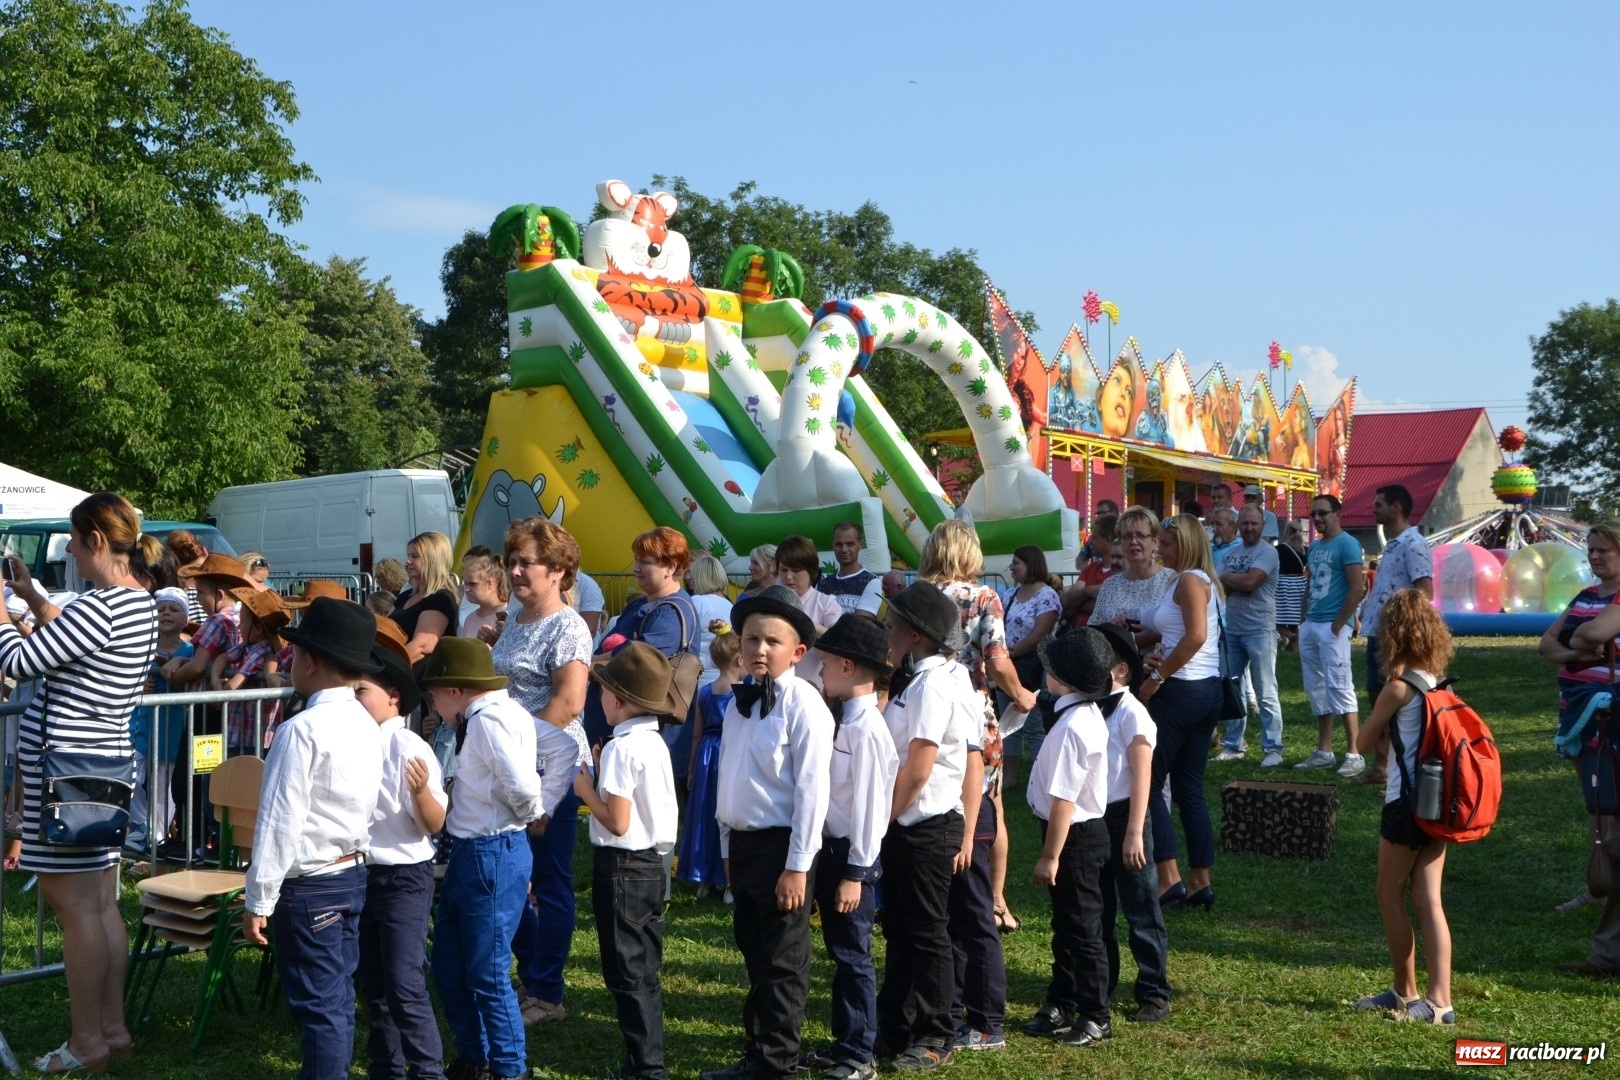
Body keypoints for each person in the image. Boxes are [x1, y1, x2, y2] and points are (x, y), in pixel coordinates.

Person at [0, 493, 157, 1074]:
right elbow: (70, 641)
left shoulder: (100, 607)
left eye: (73, 537)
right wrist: (30, 597)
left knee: (78, 914)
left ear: (95, 540)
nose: (68, 548)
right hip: (102, 770)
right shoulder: (136, 603)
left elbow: (17, 662)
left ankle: (86, 1041)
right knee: (101, 907)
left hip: (63, 776)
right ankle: (112, 1031)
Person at [243, 597, 385, 1080]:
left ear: (311, 662)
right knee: (337, 999)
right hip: (351, 873)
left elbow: (279, 822)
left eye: (295, 653)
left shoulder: (299, 731)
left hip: (310, 884)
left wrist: (259, 899)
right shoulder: (367, 722)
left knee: (321, 1007)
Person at [702, 586, 833, 1080]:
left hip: (784, 846)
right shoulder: (739, 703)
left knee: (783, 956)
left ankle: (777, 1060)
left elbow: (812, 792)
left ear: (797, 653)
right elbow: (729, 778)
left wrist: (797, 866)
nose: (760, 649)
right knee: (754, 948)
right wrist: (726, 846)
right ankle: (758, 1047)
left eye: (773, 641)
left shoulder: (805, 705)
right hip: (743, 845)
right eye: (752, 639)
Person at [423, 638, 545, 1080]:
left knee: (487, 971)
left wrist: (527, 815)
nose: (434, 706)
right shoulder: (501, 713)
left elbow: (522, 786)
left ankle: (509, 1068)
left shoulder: (487, 721)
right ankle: (477, 1057)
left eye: (435, 696)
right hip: (478, 849)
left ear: (455, 690)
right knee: (451, 963)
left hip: (490, 848)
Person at [488, 518, 594, 1027]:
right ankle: (531, 976)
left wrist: (519, 750)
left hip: (551, 768)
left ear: (558, 571)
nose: (514, 571)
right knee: (509, 875)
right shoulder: (517, 618)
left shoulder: (567, 626)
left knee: (547, 881)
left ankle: (547, 992)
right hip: (511, 765)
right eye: (511, 562)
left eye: (525, 563)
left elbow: (569, 702)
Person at [876, 582, 979, 1070]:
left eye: (893, 625)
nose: (887, 632)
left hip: (925, 824)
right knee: (901, 929)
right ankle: (894, 1028)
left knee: (927, 931)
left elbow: (920, 766)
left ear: (914, 635)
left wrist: (881, 821)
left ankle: (937, 1034)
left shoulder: (933, 685)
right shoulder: (917, 680)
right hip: (909, 823)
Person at [800, 614, 898, 1080]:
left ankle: (860, 1055)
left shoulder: (866, 729)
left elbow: (870, 809)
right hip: (834, 850)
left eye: (825, 662)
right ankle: (845, 1045)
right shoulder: (849, 720)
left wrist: (856, 872)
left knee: (854, 955)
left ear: (847, 666)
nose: (820, 669)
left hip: (850, 856)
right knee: (841, 953)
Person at [1351, 590, 1456, 1024]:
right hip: (1437, 803)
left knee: (1388, 893)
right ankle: (1440, 1002)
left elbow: (1361, 743)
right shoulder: (1438, 684)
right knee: (1429, 899)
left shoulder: (1397, 689)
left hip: (1404, 804)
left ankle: (1406, 992)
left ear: (1393, 635)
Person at [577, 643, 681, 1080]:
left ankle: (646, 1067)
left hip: (622, 866)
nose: (599, 698)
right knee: (643, 968)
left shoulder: (623, 748)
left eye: (603, 691)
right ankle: (645, 1061)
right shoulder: (652, 741)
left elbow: (618, 822)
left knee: (626, 971)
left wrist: (586, 789)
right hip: (650, 866)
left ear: (617, 700)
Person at [354, 633, 448, 1080]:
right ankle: (386, 1069)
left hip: (404, 877)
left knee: (404, 983)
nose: (354, 700)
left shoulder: (408, 746)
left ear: (393, 696)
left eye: (361, 691)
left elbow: (433, 822)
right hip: (364, 875)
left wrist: (421, 791)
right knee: (374, 983)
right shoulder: (356, 743)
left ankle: (428, 1072)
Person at [1019, 628, 1114, 1049]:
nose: (1045, 673)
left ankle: (1096, 1015)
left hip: (1074, 837)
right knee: (1067, 925)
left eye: (1051, 668)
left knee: (1083, 930)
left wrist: (1050, 856)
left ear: (1063, 679)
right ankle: (1063, 1001)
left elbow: (1064, 800)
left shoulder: (1074, 725)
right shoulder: (1079, 714)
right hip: (1075, 835)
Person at [1540, 520, 1620, 974]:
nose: (1595, 557)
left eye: (1604, 550)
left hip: (1608, 714)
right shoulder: (1586, 595)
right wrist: (1576, 651)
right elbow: (1546, 645)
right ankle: (1598, 885)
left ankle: (1606, 886)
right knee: (1595, 802)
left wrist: (1578, 638)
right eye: (1591, 550)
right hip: (1576, 712)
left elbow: (1591, 634)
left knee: (1610, 799)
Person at [1136, 514, 1223, 910]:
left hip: (1182, 691)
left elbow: (1196, 636)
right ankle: (1200, 881)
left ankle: (1168, 876)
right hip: (1205, 691)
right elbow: (1178, 630)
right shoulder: (1195, 580)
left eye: (1167, 544)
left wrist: (1158, 678)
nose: (1160, 549)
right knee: (1189, 788)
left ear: (1185, 545)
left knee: (1150, 782)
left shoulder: (1189, 580)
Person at [1089, 622, 1171, 1023]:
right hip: (1094, 817)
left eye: (1099, 661)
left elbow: (1142, 776)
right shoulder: (1089, 707)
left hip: (1127, 816)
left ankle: (1154, 990)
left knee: (1141, 908)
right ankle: (1101, 985)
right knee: (1099, 908)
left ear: (1121, 670)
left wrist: (1136, 832)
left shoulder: (1132, 712)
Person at [585, 527, 699, 748]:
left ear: (670, 567)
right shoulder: (640, 604)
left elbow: (639, 659)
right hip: (614, 731)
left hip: (642, 739)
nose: (636, 568)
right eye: (636, 560)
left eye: (645, 562)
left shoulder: (672, 612)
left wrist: (591, 664)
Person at [1360, 485, 1434, 785]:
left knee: (1393, 703)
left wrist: (1408, 632)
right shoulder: (1393, 544)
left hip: (1397, 638)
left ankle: (1398, 769)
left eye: (1379, 504)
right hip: (1378, 634)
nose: (1373, 509)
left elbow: (1424, 592)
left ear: (1396, 507)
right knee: (1377, 698)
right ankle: (1382, 766)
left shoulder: (1413, 544)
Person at [1296, 495, 1367, 777]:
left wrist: (1339, 624)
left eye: (1323, 513)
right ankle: (1324, 751)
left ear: (1337, 513)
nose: (1317, 518)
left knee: (1340, 685)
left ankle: (1354, 753)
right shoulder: (1315, 547)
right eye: (1313, 514)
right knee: (1317, 688)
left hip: (1332, 625)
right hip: (1313, 623)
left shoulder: (1348, 544)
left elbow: (1357, 588)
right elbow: (1310, 584)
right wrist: (1303, 620)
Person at [1215, 506, 1284, 766]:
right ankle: (1233, 745)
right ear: (1237, 526)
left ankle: (1273, 748)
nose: (1249, 528)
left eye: (1254, 523)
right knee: (1231, 689)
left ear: (1262, 525)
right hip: (1232, 629)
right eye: (1245, 523)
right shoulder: (1230, 553)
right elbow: (1219, 588)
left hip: (1260, 630)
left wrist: (1229, 578)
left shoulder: (1268, 552)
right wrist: (1235, 581)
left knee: (1266, 691)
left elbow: (1250, 583)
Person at [679, 621, 740, 899]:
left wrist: (692, 767)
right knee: (726, 815)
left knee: (705, 813)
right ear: (739, 659)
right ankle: (727, 879)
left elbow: (696, 735)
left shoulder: (705, 692)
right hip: (729, 753)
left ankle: (704, 877)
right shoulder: (742, 692)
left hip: (706, 754)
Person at [774, 534, 845, 686]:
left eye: (796, 570)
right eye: (783, 570)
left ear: (811, 571)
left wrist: (808, 624)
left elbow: (840, 640)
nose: (789, 577)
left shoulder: (826, 603)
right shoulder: (771, 600)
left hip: (815, 687)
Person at [1091, 507, 1177, 630]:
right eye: (1127, 536)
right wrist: (1111, 628)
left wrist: (1154, 637)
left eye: (1141, 536)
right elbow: (1094, 628)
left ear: (1154, 542)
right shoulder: (1110, 585)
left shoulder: (1172, 581)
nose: (1134, 541)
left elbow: (1184, 629)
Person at [394, 532, 459, 670]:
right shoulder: (405, 596)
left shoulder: (441, 599)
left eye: (415, 556)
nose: (408, 561)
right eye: (408, 555)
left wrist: (383, 667)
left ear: (433, 560)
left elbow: (421, 647)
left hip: (415, 674)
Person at [1060, 515, 1116, 631]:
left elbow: (1109, 607)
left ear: (1108, 539)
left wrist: (1078, 602)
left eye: (1094, 538)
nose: (1091, 543)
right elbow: (1067, 600)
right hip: (1080, 637)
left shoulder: (1121, 572)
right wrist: (1089, 591)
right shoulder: (1091, 568)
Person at [687, 554, 735, 689]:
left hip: (700, 678)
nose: (689, 578)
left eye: (692, 574)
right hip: (727, 677)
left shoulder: (697, 602)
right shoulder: (730, 605)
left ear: (700, 577)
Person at [818, 521, 884, 615]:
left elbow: (861, 622)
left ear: (860, 545)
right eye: (839, 544)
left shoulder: (871, 582)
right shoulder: (823, 584)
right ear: (833, 546)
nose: (844, 549)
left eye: (850, 544)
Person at [461, 551, 509, 640]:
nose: (467, 589)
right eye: (466, 584)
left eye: (473, 584)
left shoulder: (509, 614)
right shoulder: (470, 619)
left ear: (490, 584)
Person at [1276, 523, 1308, 652]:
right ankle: (1295, 646)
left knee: (1275, 618)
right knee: (1294, 618)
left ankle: (1292, 637)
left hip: (1283, 585)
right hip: (1300, 584)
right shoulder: (1305, 550)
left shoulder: (1280, 549)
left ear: (1287, 532)